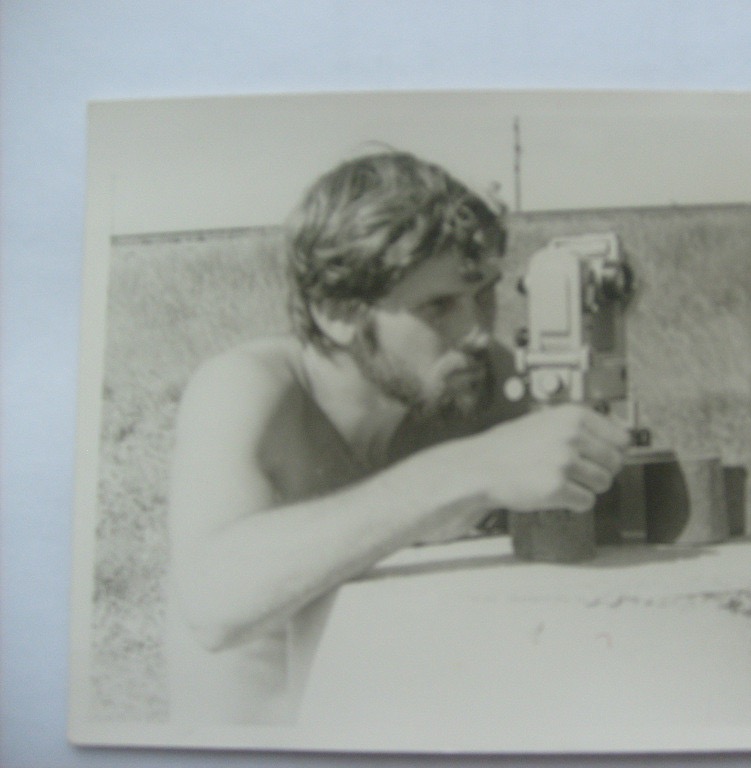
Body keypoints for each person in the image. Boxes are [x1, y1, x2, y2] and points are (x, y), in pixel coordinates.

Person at [165, 151, 631, 724]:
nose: (478, 331)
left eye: (484, 292)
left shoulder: (481, 383)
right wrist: (469, 471)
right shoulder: (248, 388)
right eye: (439, 305)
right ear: (337, 311)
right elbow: (213, 602)